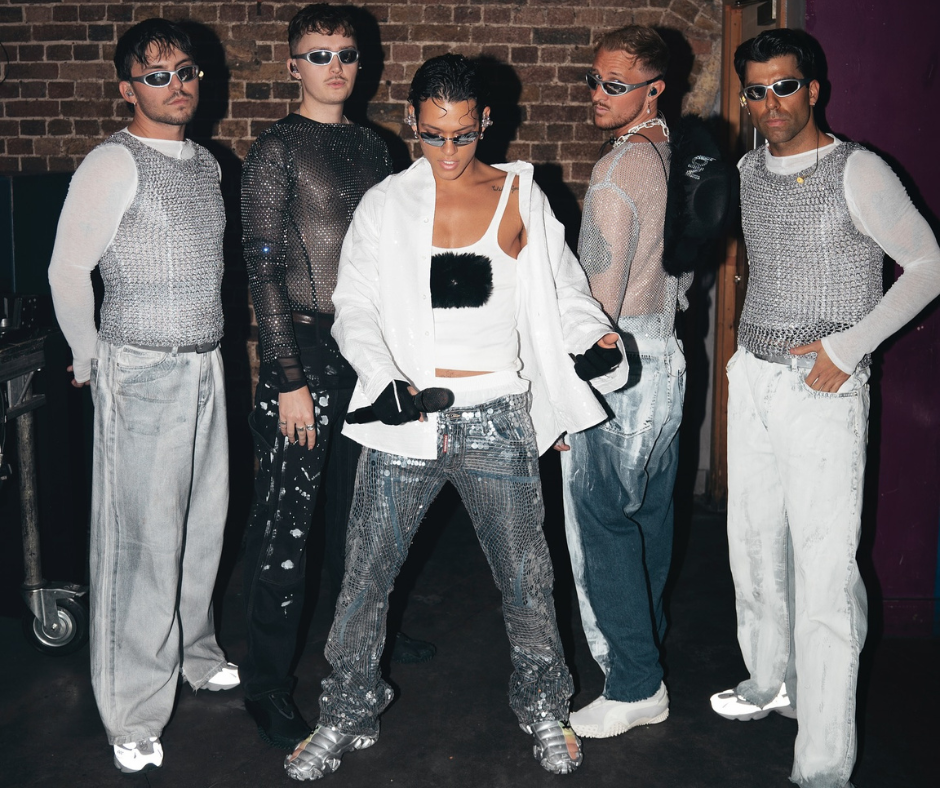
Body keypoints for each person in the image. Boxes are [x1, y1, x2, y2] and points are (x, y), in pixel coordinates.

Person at [283, 53, 627, 781]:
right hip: (406, 420)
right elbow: (354, 307)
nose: (447, 151)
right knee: (364, 579)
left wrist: (592, 340)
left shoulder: (520, 196)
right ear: (411, 121)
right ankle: (346, 711)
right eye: (432, 134)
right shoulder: (386, 205)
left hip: (497, 417)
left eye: (463, 135)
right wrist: (384, 378)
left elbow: (564, 291)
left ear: (486, 123)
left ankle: (544, 707)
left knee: (527, 580)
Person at [711, 28, 940, 788]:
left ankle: (823, 763)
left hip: (823, 388)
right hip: (756, 377)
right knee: (753, 549)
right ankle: (770, 681)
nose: (770, 102)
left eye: (784, 86)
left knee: (824, 573)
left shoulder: (858, 168)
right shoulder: (748, 170)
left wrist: (849, 347)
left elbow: (929, 264)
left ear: (814, 89)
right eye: (756, 91)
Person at [240, 2, 433, 753]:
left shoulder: (375, 146)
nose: (335, 67)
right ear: (293, 66)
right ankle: (266, 683)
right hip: (303, 356)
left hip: (365, 353)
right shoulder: (276, 149)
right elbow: (261, 272)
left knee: (365, 517)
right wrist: (286, 376)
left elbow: (391, 258)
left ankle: (368, 637)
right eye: (319, 55)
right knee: (286, 529)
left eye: (346, 54)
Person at [47, 18, 238, 774]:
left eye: (186, 71)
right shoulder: (112, 161)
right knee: (141, 549)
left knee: (202, 527)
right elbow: (68, 270)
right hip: (142, 371)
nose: (177, 86)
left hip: (205, 365)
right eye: (157, 76)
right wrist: (87, 357)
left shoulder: (207, 164)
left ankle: (195, 653)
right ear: (128, 88)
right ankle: (131, 711)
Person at [559, 25, 687, 741]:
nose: (598, 95)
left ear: (653, 89)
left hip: (620, 367)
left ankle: (635, 685)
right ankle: (646, 661)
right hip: (668, 360)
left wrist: (563, 398)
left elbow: (595, 309)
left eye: (616, 85)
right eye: (595, 80)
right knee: (649, 524)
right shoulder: (676, 155)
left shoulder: (615, 174)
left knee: (602, 527)